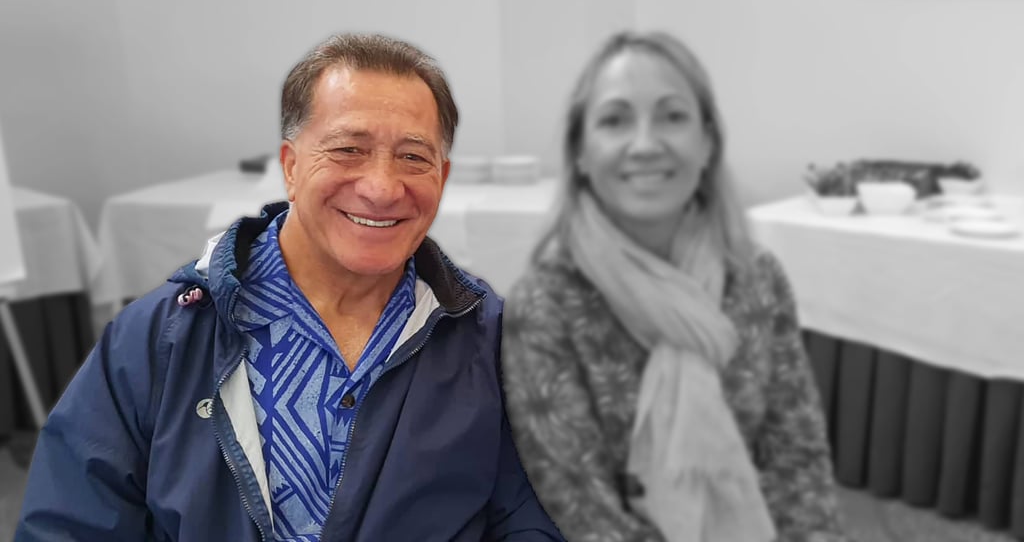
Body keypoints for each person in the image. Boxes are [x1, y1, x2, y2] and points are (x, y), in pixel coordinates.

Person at [16, 33, 564, 542]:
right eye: (348, 149)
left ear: (441, 178)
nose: (381, 187)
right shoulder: (164, 339)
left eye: (413, 157)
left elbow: (534, 516)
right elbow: (71, 523)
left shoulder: (487, 341)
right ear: (291, 166)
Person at [500, 30, 851, 542]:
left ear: (707, 143)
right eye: (615, 120)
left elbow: (799, 462)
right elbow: (578, 511)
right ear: (579, 152)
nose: (645, 145)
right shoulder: (545, 304)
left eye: (672, 116)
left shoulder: (757, 279)